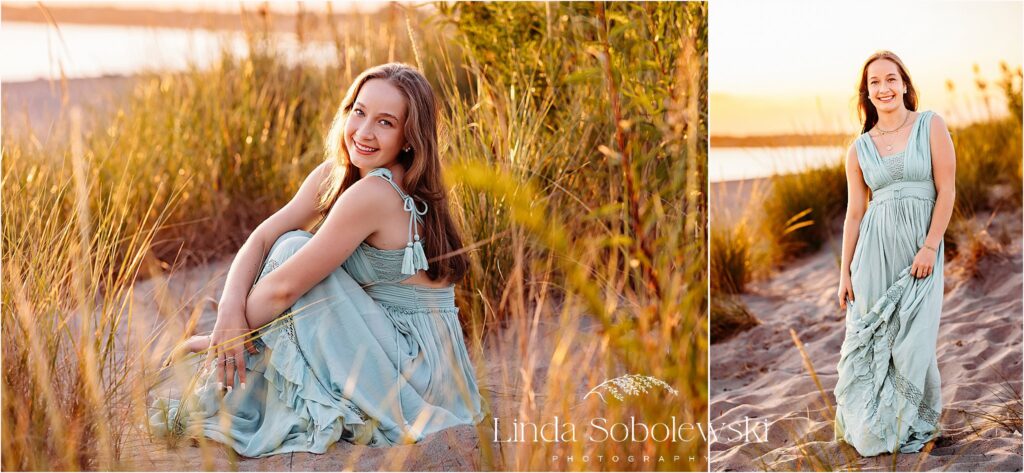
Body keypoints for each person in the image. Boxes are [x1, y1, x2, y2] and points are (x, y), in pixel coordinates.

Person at [150, 63, 487, 457]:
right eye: (358, 112)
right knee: (288, 240)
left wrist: (221, 341)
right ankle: (232, 367)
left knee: (294, 253)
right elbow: (261, 237)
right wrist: (227, 312)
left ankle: (226, 370)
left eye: (385, 122)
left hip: (417, 371)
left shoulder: (375, 194)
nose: (363, 132)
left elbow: (285, 288)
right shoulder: (341, 175)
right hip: (412, 354)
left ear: (409, 138)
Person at [833, 50, 956, 456]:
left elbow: (947, 191)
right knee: (874, 342)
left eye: (890, 79)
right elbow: (854, 214)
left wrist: (930, 246)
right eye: (874, 83)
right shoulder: (859, 149)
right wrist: (844, 273)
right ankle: (878, 427)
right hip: (873, 252)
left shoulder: (930, 125)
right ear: (866, 94)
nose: (883, 88)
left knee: (915, 339)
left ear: (904, 83)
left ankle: (919, 424)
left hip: (921, 250)